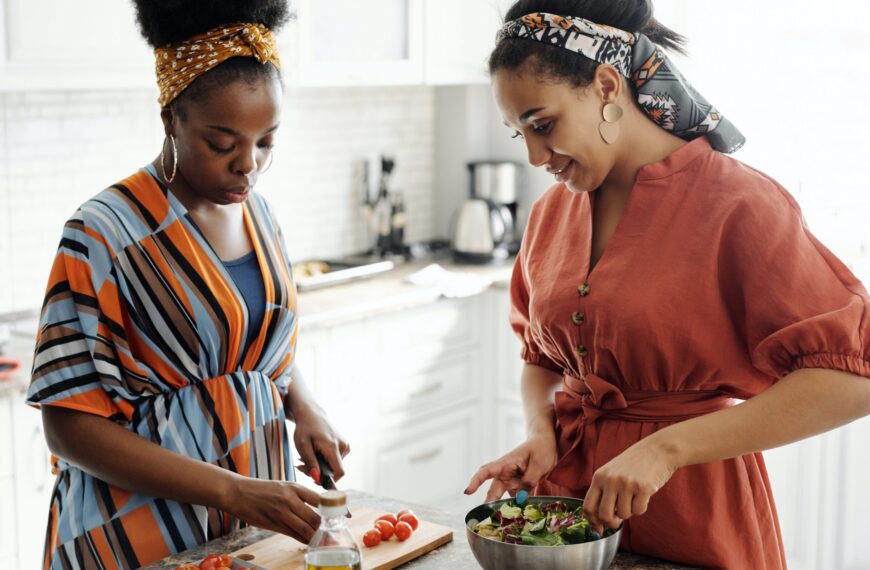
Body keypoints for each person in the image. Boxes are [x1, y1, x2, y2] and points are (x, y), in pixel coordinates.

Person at [464, 1, 870, 567]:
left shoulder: (741, 205)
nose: (534, 157)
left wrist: (668, 448)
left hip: (696, 516)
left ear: (607, 85)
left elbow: (853, 379)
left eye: (543, 125)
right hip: (570, 518)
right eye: (519, 135)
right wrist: (541, 434)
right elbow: (542, 358)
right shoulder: (551, 213)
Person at [25, 1, 350, 568]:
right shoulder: (104, 232)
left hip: (250, 522)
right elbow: (67, 426)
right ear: (171, 118)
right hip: (133, 531)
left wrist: (306, 405)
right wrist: (232, 489)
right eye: (223, 144)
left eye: (266, 142)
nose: (247, 165)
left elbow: (251, 338)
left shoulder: (261, 216)